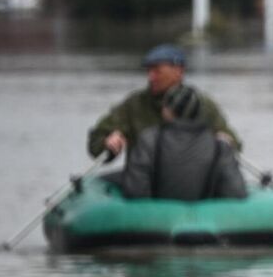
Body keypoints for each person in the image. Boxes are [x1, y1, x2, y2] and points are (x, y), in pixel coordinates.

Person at [88, 44, 239, 160]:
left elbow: (234, 143)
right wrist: (108, 143)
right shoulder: (134, 105)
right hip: (145, 179)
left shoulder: (203, 105)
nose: (151, 77)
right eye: (149, 71)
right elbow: (96, 143)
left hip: (193, 179)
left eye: (157, 71)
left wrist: (226, 141)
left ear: (179, 71)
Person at [116, 84, 248, 201]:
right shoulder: (220, 145)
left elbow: (135, 191)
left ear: (167, 111)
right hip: (208, 222)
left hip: (156, 223)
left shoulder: (149, 139)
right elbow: (236, 192)